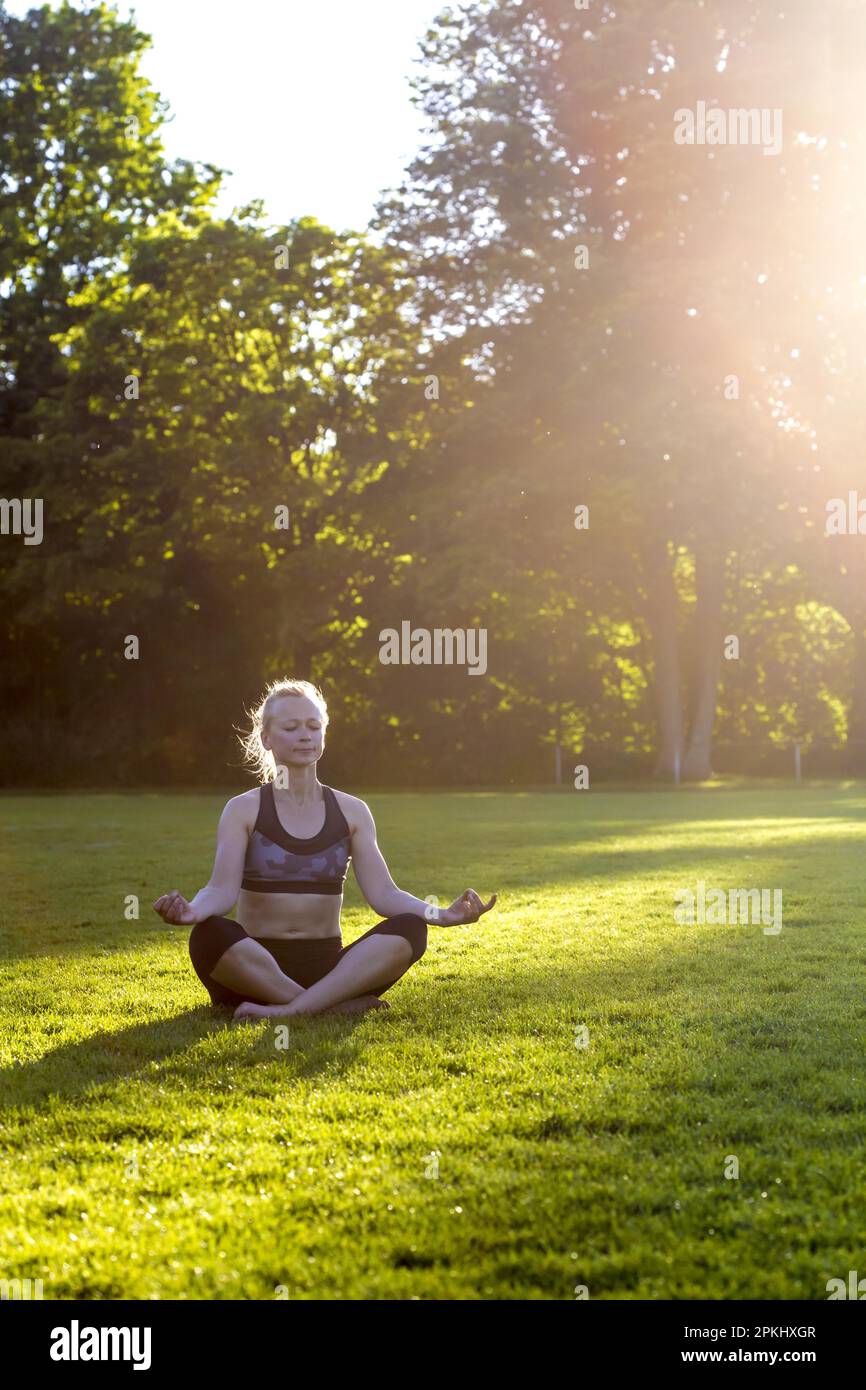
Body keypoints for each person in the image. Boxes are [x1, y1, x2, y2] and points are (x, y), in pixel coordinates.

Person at [153, 679, 497, 1021]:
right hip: (253, 967)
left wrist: (443, 915)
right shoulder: (243, 809)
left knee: (410, 929)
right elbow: (220, 891)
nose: (305, 734)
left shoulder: (352, 811)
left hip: (331, 969)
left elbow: (384, 895)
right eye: (291, 727)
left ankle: (294, 1008)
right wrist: (192, 911)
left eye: (314, 726)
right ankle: (329, 1007)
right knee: (208, 935)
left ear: (323, 734)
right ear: (266, 738)